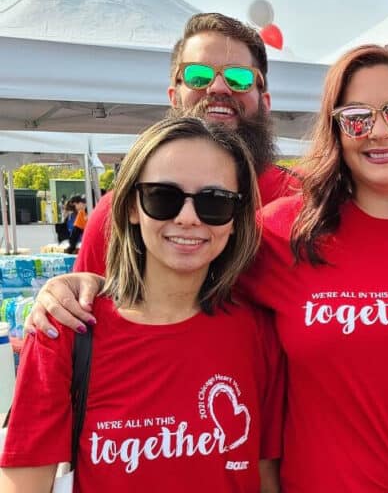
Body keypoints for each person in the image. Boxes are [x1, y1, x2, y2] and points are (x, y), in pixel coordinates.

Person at [30, 44, 388, 491]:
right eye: (357, 117)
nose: (380, 132)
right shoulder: (281, 234)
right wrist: (86, 282)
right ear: (335, 127)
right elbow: (175, 268)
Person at [0, 118, 283, 491]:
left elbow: (264, 478)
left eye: (214, 202)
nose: (187, 217)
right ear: (132, 207)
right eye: (162, 197)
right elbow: (24, 484)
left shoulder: (257, 332)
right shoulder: (67, 330)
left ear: (235, 219)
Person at [66, 13, 299, 295]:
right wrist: (65, 291)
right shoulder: (128, 209)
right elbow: (87, 307)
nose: (217, 88)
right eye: (197, 76)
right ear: (174, 97)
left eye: (239, 78)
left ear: (265, 103)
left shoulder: (309, 202)